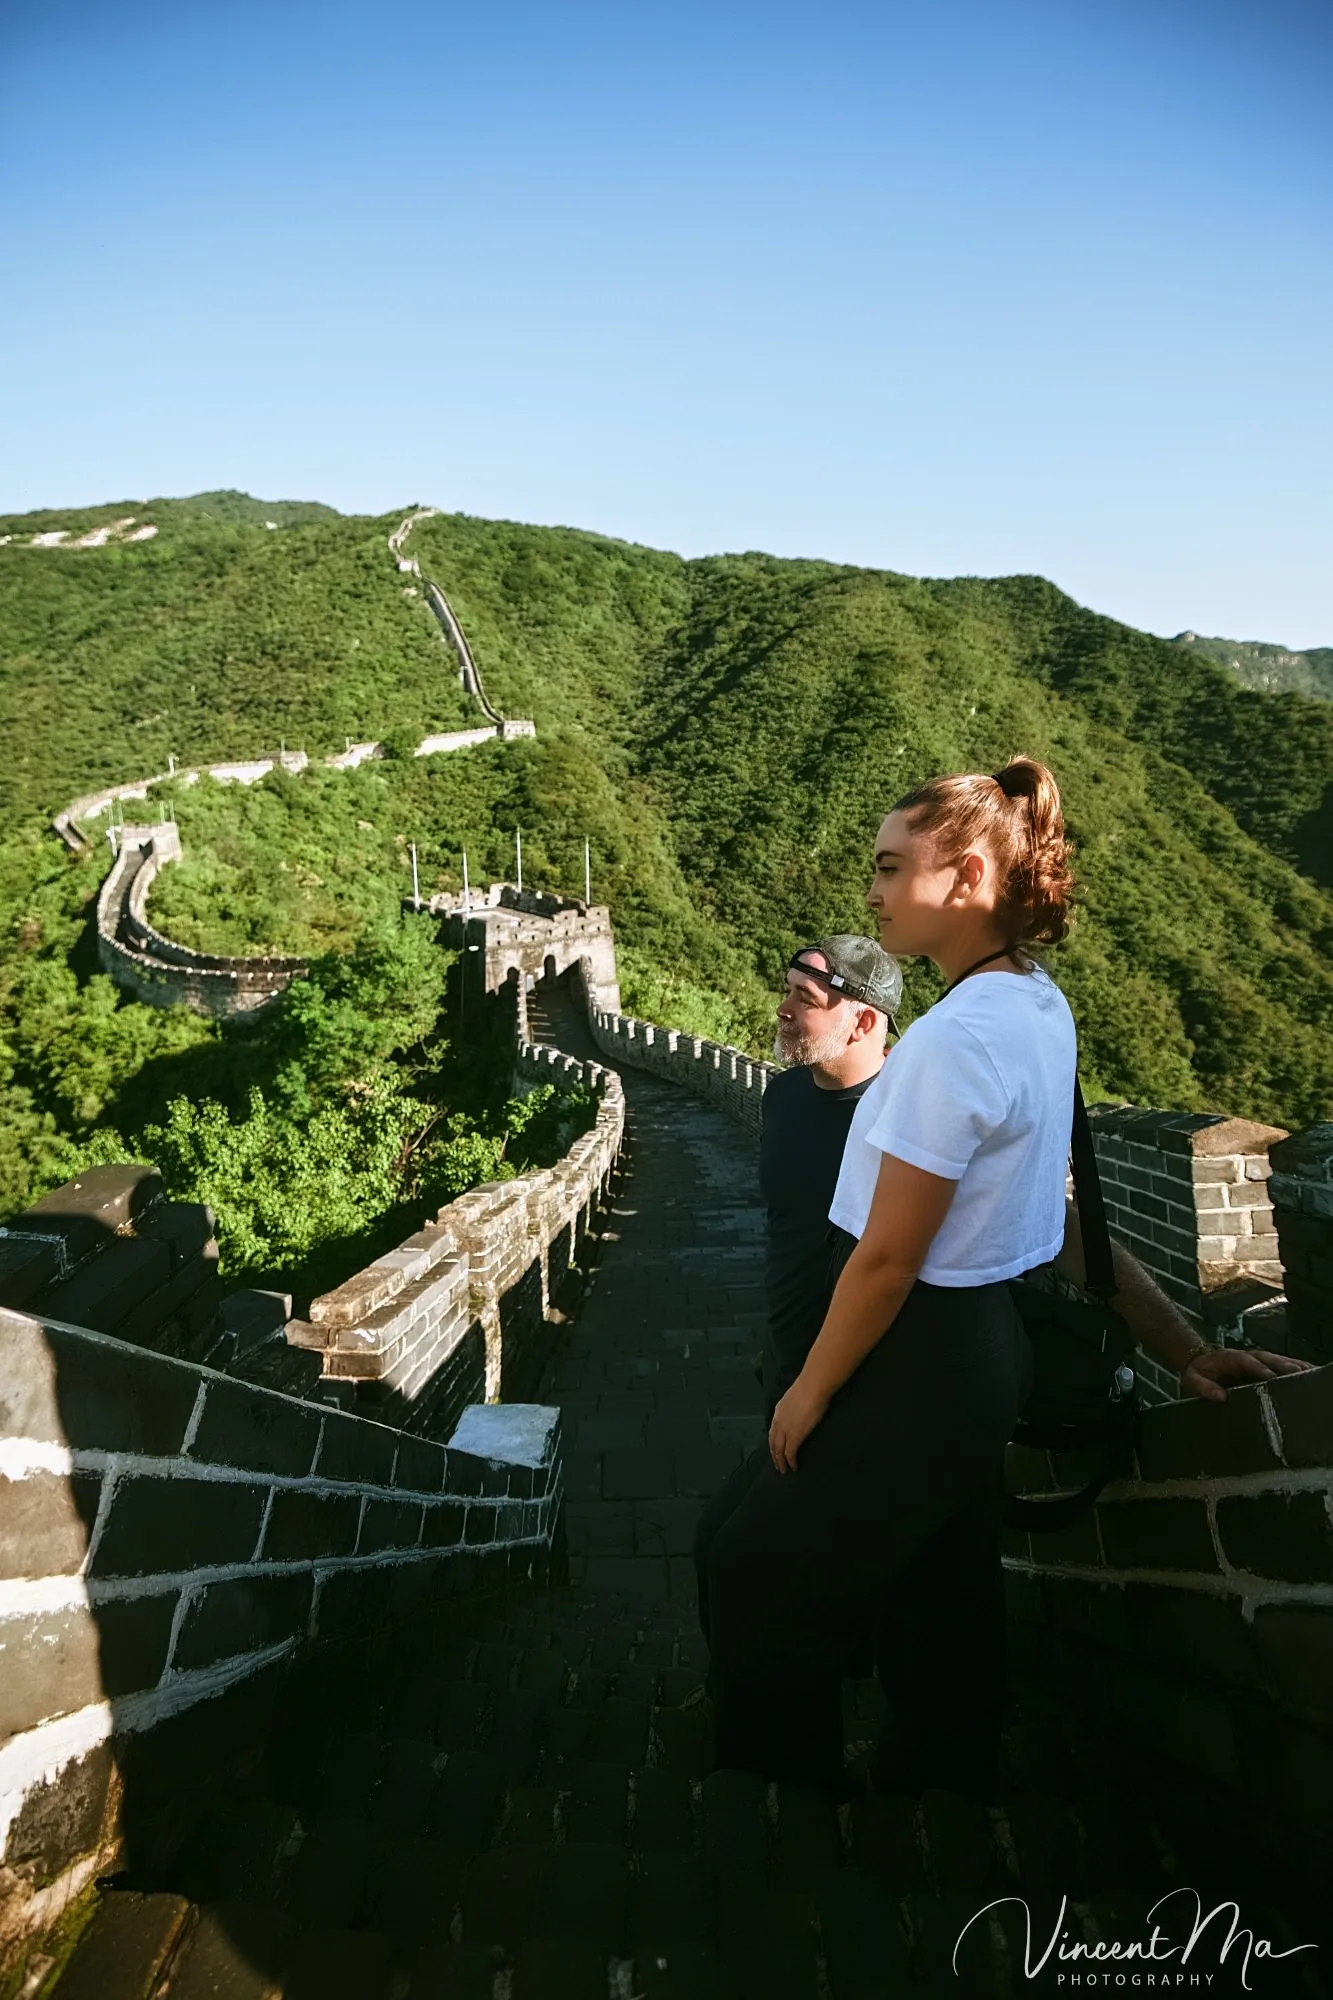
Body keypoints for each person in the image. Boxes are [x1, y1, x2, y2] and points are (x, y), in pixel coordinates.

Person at [696, 755, 1308, 1801]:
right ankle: (937, 1788)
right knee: (940, 1591)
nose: (873, 891)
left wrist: (807, 1388)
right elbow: (1056, 1216)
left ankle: (779, 1798)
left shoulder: (950, 1043)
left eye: (892, 868)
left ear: (968, 875)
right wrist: (1186, 1345)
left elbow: (888, 1259)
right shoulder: (1036, 1004)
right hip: (976, 1354)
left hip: (917, 1355)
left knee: (748, 1562)